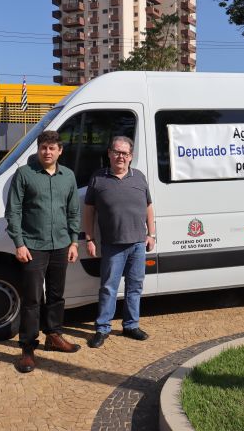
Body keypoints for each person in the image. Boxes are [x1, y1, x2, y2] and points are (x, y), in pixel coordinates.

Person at [5, 130, 81, 374]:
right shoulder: (24, 175)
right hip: (32, 247)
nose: (47, 152)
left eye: (52, 148)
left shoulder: (68, 176)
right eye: (43, 148)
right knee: (32, 299)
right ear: (38, 150)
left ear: (60, 151)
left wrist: (73, 242)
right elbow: (13, 211)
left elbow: (73, 212)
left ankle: (54, 336)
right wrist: (19, 243)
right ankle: (27, 349)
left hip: (60, 245)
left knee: (57, 296)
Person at [83, 136, 155, 348]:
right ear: (109, 153)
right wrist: (90, 238)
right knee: (108, 287)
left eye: (125, 153)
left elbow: (149, 207)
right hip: (112, 245)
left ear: (131, 157)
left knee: (135, 286)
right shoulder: (98, 178)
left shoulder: (139, 177)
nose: (120, 156)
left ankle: (131, 325)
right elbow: (89, 211)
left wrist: (152, 234)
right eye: (117, 152)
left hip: (138, 244)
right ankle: (102, 328)